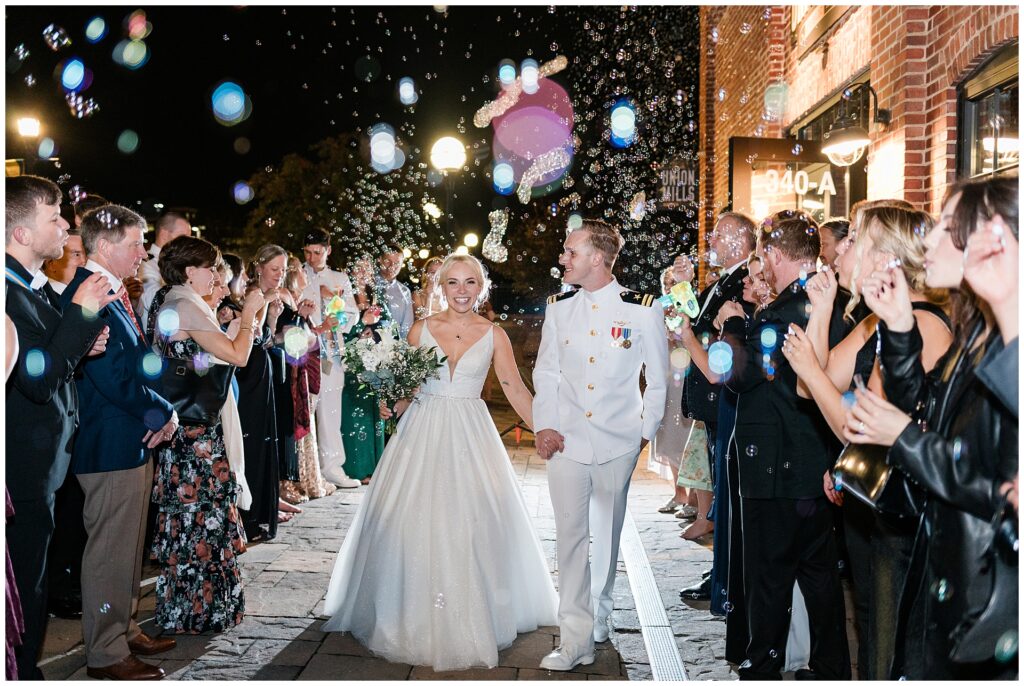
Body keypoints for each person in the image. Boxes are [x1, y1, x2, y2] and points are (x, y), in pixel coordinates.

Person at [323, 253, 558, 670]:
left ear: (481, 287)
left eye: (470, 282)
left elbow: (516, 391)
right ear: (440, 287)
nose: (462, 291)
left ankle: (473, 610)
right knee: (411, 518)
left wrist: (547, 429)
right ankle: (406, 613)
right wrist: (390, 404)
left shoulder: (494, 335)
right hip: (422, 429)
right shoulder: (420, 330)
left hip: (471, 432)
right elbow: (408, 388)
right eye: (453, 283)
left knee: (470, 520)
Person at [847, 176, 1018, 679]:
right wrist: (899, 329)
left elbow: (994, 489)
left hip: (987, 591)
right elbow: (928, 413)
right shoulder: (978, 333)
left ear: (991, 240)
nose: (928, 238)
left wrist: (902, 437)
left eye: (945, 225)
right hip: (946, 563)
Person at [782, 204, 952, 679]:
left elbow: (857, 426)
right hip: (871, 501)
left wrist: (811, 372)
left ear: (886, 257)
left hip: (903, 513)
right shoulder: (874, 322)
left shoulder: (915, 323)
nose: (841, 248)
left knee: (890, 648)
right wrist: (821, 310)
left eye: (855, 238)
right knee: (876, 637)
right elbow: (808, 387)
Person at [718, 210, 850, 680]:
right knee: (820, 580)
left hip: (774, 471)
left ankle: (762, 667)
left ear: (775, 255)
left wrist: (733, 327)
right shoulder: (838, 304)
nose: (761, 265)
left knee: (768, 580)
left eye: (763, 256)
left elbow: (735, 378)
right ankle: (832, 668)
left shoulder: (774, 317)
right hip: (818, 465)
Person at [533, 219, 668, 671]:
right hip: (567, 442)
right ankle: (575, 638)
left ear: (598, 257)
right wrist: (545, 425)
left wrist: (643, 434)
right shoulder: (558, 309)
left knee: (606, 539)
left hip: (618, 442)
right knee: (570, 538)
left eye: (571, 252)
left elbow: (659, 377)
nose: (562, 258)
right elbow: (546, 373)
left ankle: (599, 615)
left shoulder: (641, 309)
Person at [61, 203, 180, 680]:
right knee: (109, 549)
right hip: (108, 441)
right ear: (106, 246)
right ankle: (107, 652)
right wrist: (162, 412)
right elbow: (109, 375)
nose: (144, 252)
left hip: (130, 437)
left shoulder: (110, 289)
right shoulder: (90, 293)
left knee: (129, 543)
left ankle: (124, 626)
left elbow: (130, 364)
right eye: (136, 243)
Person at [5, 175, 111, 680]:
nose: (65, 225)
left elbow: (52, 353)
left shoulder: (28, 288)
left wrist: (77, 335)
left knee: (34, 581)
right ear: (22, 233)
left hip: (44, 461)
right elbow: (38, 379)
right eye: (54, 217)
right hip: (20, 466)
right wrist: (82, 311)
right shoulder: (7, 294)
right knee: (22, 585)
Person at [147, 236, 262, 634]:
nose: (216, 275)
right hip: (196, 436)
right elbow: (238, 356)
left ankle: (194, 607)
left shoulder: (179, 302)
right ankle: (198, 610)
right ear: (189, 270)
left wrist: (233, 324)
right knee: (202, 518)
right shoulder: (183, 304)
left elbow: (200, 360)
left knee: (196, 520)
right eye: (210, 267)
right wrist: (248, 314)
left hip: (192, 429)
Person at [675, 211, 756, 610]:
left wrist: (691, 338)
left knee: (726, 488)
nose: (712, 238)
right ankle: (719, 571)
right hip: (712, 403)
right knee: (718, 481)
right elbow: (699, 322)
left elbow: (721, 345)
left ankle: (723, 577)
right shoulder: (722, 280)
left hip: (724, 397)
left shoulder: (743, 283)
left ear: (743, 240)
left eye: (721, 233)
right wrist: (681, 289)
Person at [299, 229, 362, 489]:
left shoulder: (339, 278)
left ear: (328, 250)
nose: (312, 258)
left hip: (331, 352)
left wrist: (340, 318)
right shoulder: (297, 274)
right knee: (302, 410)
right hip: (301, 351)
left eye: (317, 252)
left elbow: (353, 314)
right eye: (307, 253)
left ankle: (332, 466)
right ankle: (301, 470)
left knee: (330, 411)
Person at [237, 244, 286, 540]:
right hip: (248, 379)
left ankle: (261, 509)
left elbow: (265, 339)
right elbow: (250, 338)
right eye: (274, 269)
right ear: (259, 268)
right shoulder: (253, 295)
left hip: (260, 375)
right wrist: (263, 311)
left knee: (263, 440)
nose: (280, 275)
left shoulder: (268, 298)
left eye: (283, 270)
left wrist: (272, 321)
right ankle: (250, 514)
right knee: (251, 441)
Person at [649, 266, 693, 514]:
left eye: (673, 284)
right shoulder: (658, 307)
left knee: (683, 433)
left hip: (684, 373)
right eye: (666, 284)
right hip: (665, 373)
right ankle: (678, 493)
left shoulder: (689, 307)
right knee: (666, 431)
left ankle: (694, 496)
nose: (668, 289)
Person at [139, 210, 192, 326]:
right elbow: (153, 300)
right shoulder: (146, 264)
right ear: (164, 234)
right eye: (183, 237)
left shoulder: (179, 263)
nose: (188, 243)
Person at [376, 243, 414, 338]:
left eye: (397, 262)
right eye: (388, 261)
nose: (392, 266)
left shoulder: (405, 292)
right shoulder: (368, 284)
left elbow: (407, 326)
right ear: (380, 260)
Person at [413, 255, 444, 319]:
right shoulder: (417, 295)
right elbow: (421, 320)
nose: (436, 276)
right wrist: (430, 296)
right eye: (433, 272)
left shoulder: (447, 295)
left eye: (439, 272)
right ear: (426, 275)